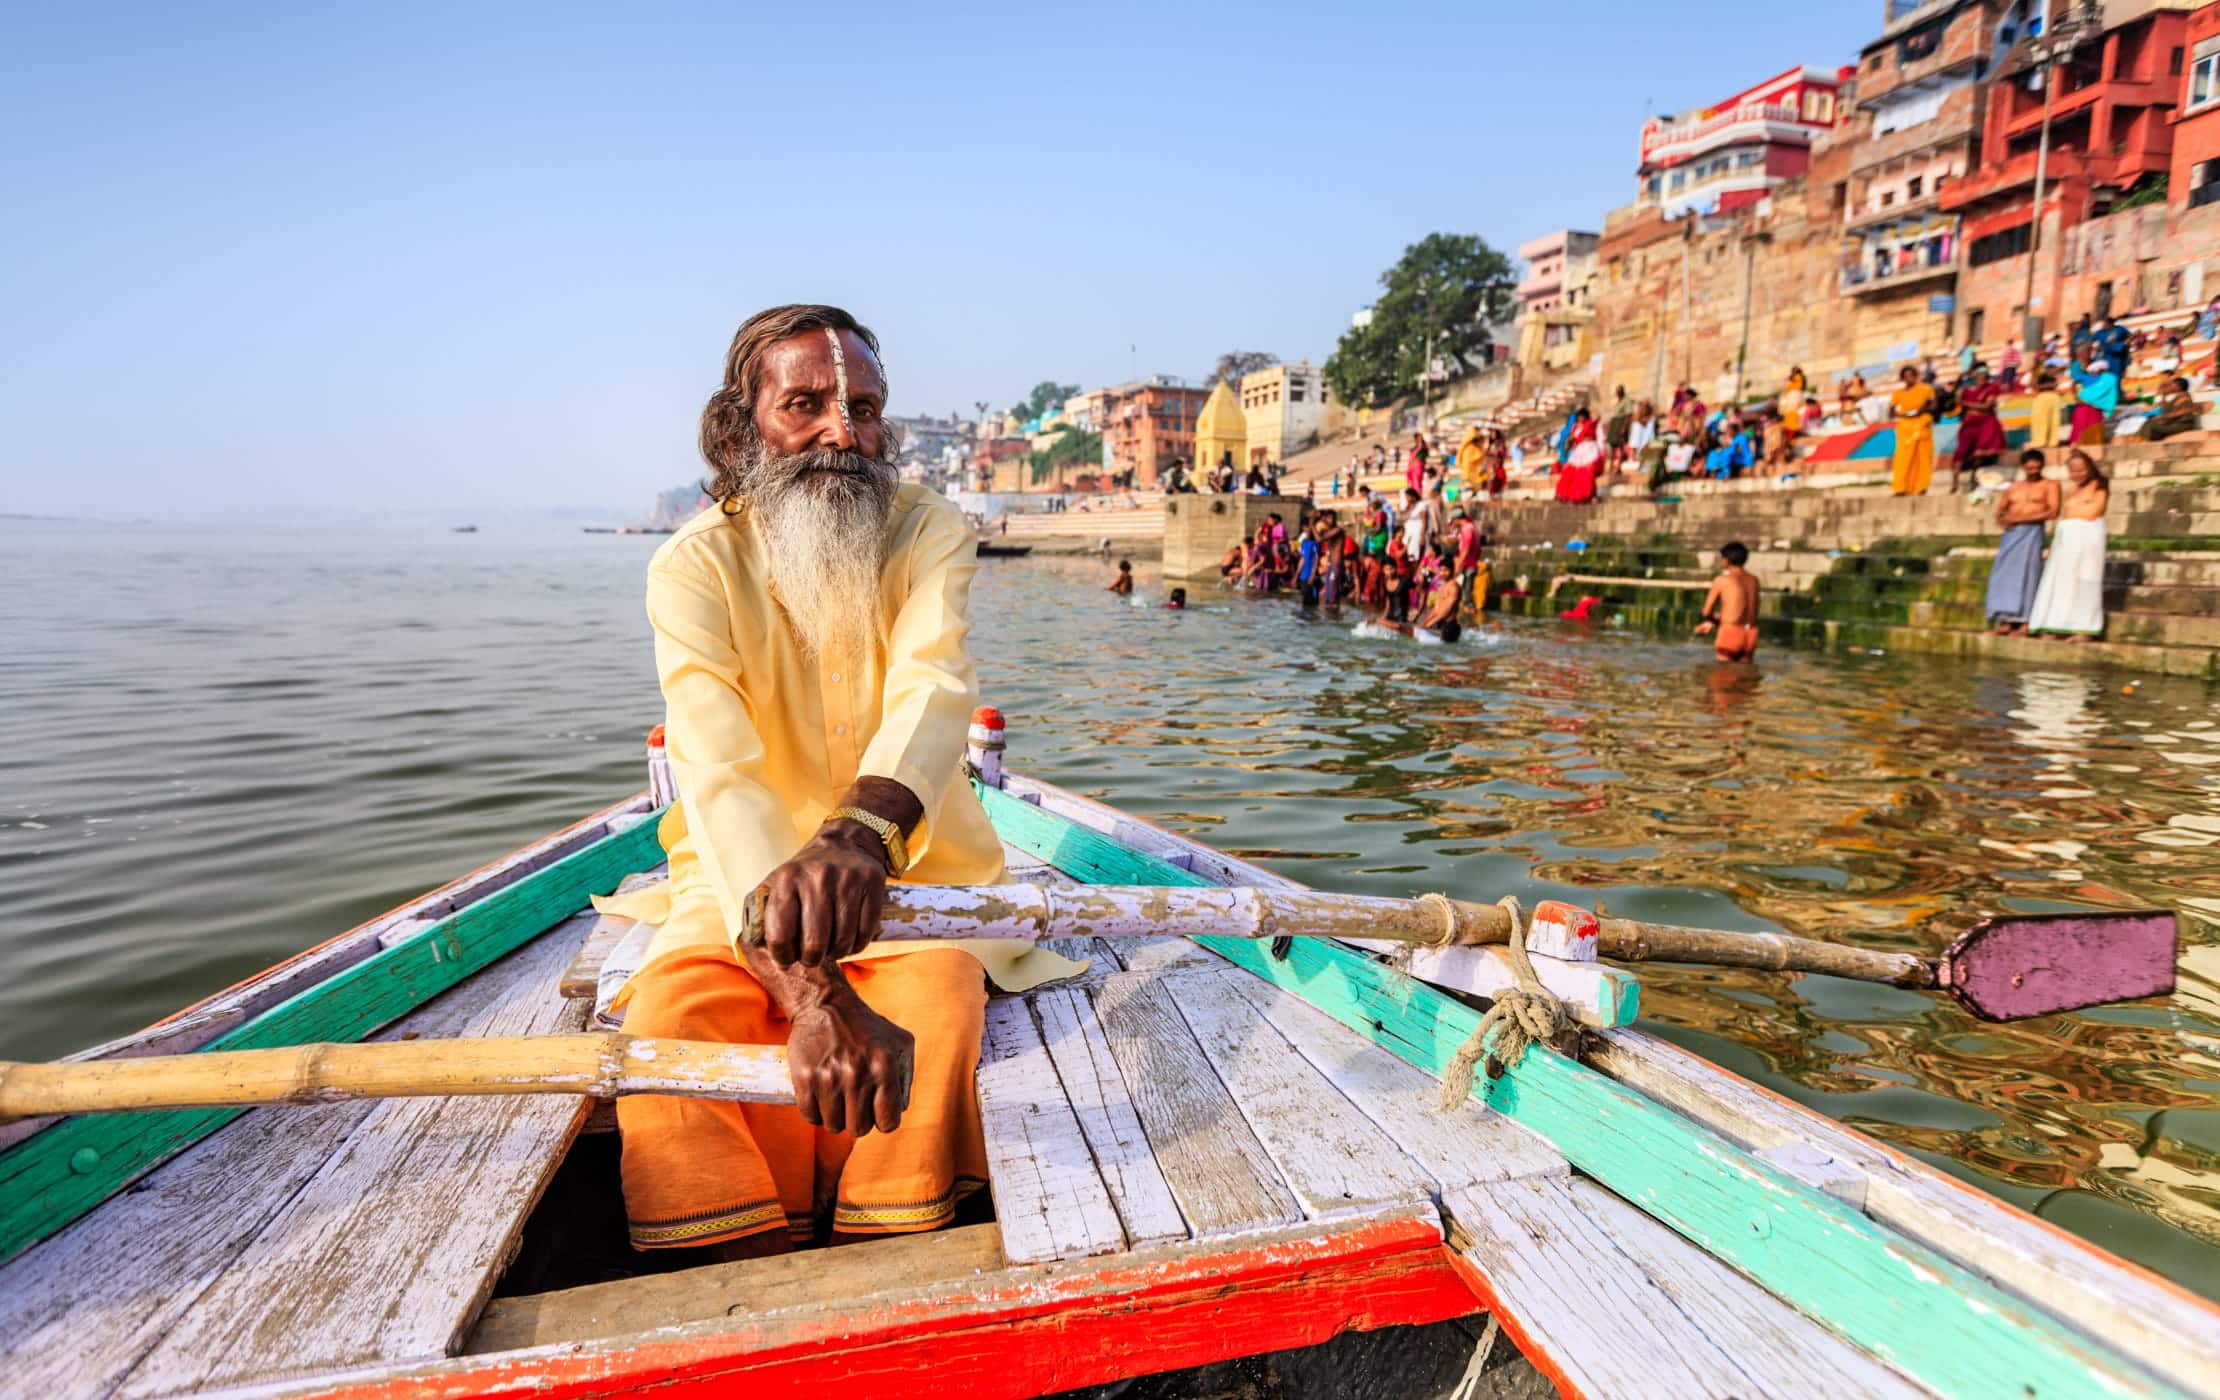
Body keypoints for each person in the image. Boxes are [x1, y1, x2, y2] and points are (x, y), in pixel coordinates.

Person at [612, 304, 1086, 1261]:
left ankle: (889, 1254)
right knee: (671, 1026)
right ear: (743, 430)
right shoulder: (691, 566)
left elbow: (934, 685)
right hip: (732, 886)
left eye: (864, 408)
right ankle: (734, 1273)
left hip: (912, 878)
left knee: (939, 1005)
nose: (843, 432)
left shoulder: (928, 531)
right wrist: (816, 996)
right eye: (808, 404)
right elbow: (716, 768)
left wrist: (861, 835)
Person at [2026, 451, 2110, 640]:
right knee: (2062, 582)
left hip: (2088, 537)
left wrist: (2076, 515)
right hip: (2067, 538)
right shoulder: (2071, 491)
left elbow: (2094, 511)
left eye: (2081, 470)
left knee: (2086, 581)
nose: (2078, 474)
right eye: (2074, 471)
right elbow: (2066, 514)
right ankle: (2057, 625)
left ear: (2089, 468)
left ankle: (2084, 630)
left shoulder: (2100, 485)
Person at [1986, 450, 2060, 636]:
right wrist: (2004, 520)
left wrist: (2022, 519)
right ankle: (2005, 621)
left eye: (2037, 467)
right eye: (2030, 468)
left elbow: (2053, 511)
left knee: (2029, 575)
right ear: (2023, 467)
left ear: (2042, 466)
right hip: (2011, 535)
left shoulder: (2050, 485)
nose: (2033, 471)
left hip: (2033, 533)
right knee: (2003, 576)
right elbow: (2000, 511)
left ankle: (2026, 623)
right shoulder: (2013, 487)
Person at [1693, 540, 1761, 663]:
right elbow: (1743, 612)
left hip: (1730, 635)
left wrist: (1711, 621)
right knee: (1746, 678)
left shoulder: (1722, 580)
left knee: (1723, 675)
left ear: (1726, 560)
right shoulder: (1754, 581)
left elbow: (1706, 612)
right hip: (1750, 634)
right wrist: (1717, 621)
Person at [1952, 363, 2004, 492]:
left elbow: (1987, 406)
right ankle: (1955, 483)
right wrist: (1959, 381)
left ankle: (1972, 478)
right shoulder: (1966, 390)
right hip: (1969, 423)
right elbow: (1956, 400)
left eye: (1984, 377)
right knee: (1961, 453)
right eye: (1979, 376)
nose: (1982, 379)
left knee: (1978, 453)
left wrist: (1966, 404)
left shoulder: (1991, 388)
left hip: (1985, 422)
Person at [1889, 366, 1937, 495]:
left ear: (1916, 376)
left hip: (1922, 423)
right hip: (1905, 427)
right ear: (1902, 378)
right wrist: (1900, 414)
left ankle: (1921, 487)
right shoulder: (1898, 393)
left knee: (1923, 458)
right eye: (1906, 376)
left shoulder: (1926, 389)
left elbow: (1934, 405)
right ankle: (1901, 488)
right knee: (1903, 459)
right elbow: (1891, 410)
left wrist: (1923, 410)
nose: (1909, 378)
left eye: (1911, 375)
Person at [2068, 350, 2119, 445]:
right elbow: (2075, 381)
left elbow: (2108, 392)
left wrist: (2091, 400)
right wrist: (2076, 397)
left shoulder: (2108, 378)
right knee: (2080, 431)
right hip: (2083, 406)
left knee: (2093, 433)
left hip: (2095, 409)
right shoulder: (2078, 368)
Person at [2141, 375, 2200, 441]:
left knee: (2151, 426)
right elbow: (2164, 410)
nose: (2169, 387)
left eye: (2171, 385)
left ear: (2178, 387)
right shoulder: (2176, 397)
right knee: (2148, 423)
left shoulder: (2184, 397)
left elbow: (2182, 413)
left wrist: (2162, 417)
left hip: (2183, 425)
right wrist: (2163, 395)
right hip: (2174, 423)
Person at [2027, 370, 2063, 450]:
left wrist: (2044, 386)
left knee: (2053, 420)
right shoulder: (2041, 377)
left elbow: (2057, 387)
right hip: (2044, 398)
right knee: (2041, 420)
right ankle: (2042, 441)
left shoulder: (2053, 379)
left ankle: (2051, 442)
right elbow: (2033, 385)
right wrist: (2047, 386)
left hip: (2050, 398)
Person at [1605, 386, 1633, 466]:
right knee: (1612, 445)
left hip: (1620, 423)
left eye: (1619, 391)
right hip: (1614, 423)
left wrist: (1624, 428)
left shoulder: (1626, 401)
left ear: (1622, 391)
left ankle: (1618, 466)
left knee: (1620, 445)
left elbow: (1629, 415)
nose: (1617, 393)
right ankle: (1612, 465)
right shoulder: (1619, 401)